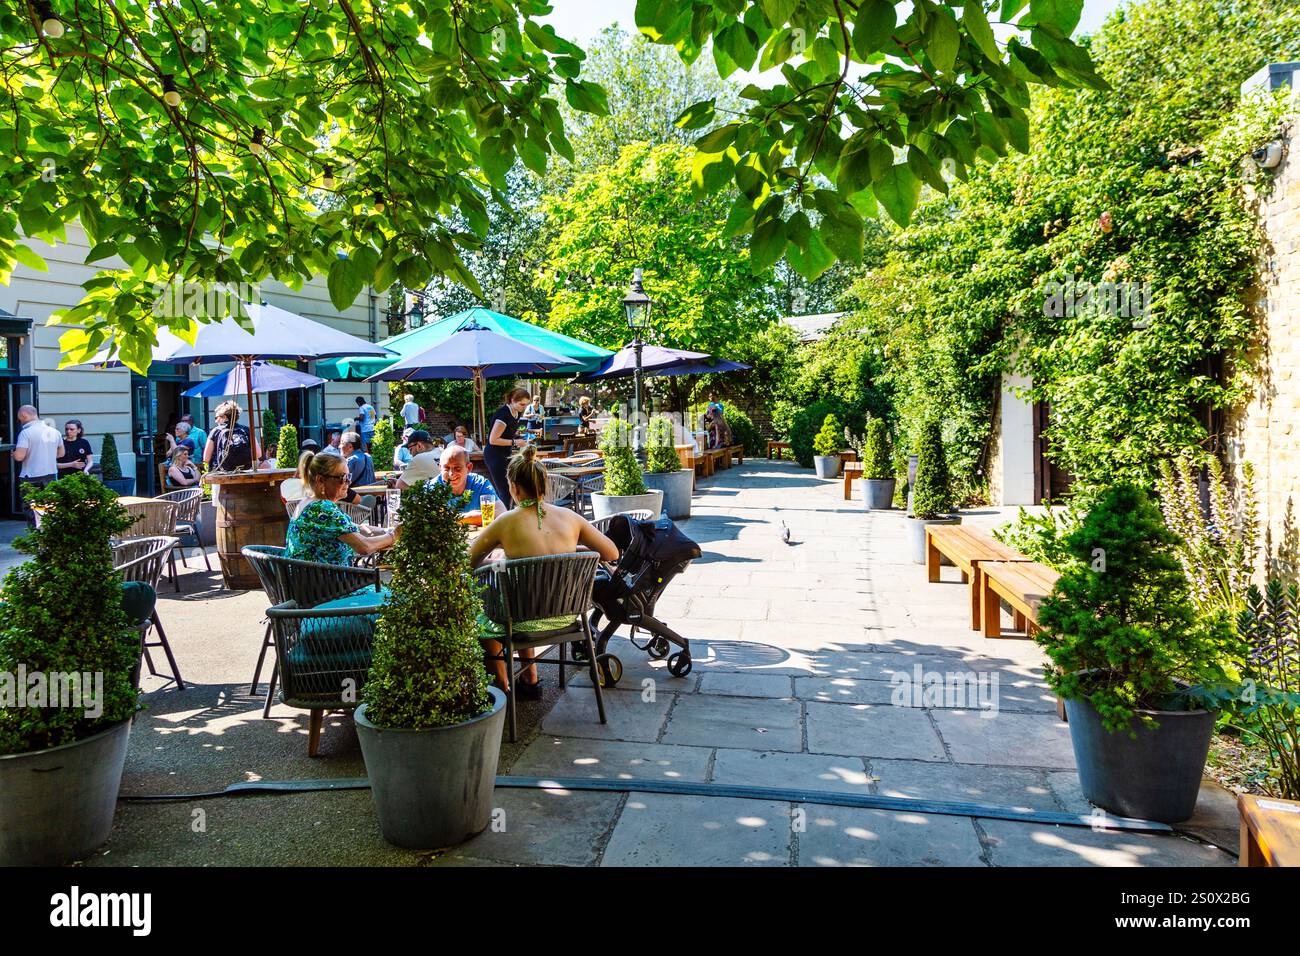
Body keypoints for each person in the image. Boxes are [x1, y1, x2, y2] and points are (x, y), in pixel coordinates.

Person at [469, 445, 619, 697]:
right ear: (544, 485)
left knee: (484, 612)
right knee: (520, 597)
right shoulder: (571, 517)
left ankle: (502, 687)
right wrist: (574, 548)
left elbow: (468, 562)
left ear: (513, 487)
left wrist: (497, 556)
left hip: (519, 620)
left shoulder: (505, 522)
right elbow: (612, 553)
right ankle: (530, 679)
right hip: (568, 617)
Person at [285, 450, 396, 566]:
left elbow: (355, 528)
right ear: (321, 480)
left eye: (349, 476)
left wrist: (386, 531)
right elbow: (365, 547)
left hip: (305, 580)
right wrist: (394, 536)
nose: (349, 481)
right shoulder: (322, 508)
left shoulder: (308, 502)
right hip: (326, 582)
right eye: (342, 477)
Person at [483, 387, 532, 509]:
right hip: (494, 455)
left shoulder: (516, 413)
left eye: (526, 405)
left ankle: (509, 515)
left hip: (505, 454)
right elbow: (493, 440)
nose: (524, 408)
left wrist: (517, 437)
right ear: (512, 400)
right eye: (521, 404)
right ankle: (503, 519)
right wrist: (515, 442)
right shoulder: (503, 415)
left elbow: (507, 433)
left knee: (513, 487)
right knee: (505, 490)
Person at [14, 405, 63, 525]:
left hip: (30, 476)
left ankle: (36, 538)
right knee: (49, 508)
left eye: (20, 418)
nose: (20, 421)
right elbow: (61, 453)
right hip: (50, 475)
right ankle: (49, 536)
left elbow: (19, 456)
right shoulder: (54, 431)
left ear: (24, 416)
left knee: (32, 510)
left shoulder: (26, 433)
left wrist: (14, 454)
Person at [431, 444, 495, 512]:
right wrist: (470, 517)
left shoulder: (480, 484)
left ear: (469, 468)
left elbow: (499, 511)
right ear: (440, 468)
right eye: (446, 468)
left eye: (457, 468)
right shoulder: (431, 489)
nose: (451, 474)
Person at [204, 401, 251, 472]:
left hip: (221, 474)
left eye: (216, 417)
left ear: (225, 417)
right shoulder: (245, 429)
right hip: (244, 471)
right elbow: (258, 453)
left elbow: (206, 458)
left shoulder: (216, 431)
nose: (216, 421)